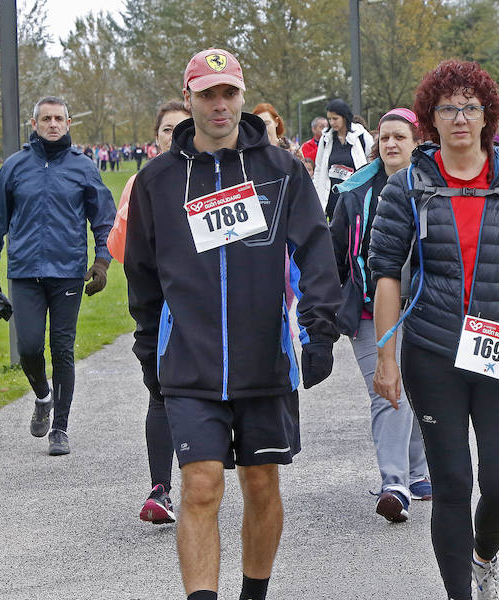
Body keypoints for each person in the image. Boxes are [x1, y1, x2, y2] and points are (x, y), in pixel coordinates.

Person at [124, 48, 341, 600]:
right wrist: (150, 345)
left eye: (229, 93)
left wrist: (319, 333)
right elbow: (143, 273)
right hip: (191, 362)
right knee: (199, 486)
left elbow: (317, 253)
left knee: (261, 484)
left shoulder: (281, 171)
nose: (219, 105)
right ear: (189, 97)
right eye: (206, 94)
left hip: (264, 358)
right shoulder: (158, 181)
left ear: (242, 97)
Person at [369, 58, 499, 600]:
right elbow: (386, 273)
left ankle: (484, 556)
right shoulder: (408, 187)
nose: (460, 118)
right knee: (454, 483)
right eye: (447, 108)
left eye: (470, 107)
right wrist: (386, 357)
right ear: (430, 119)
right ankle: (459, 591)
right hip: (433, 350)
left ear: (488, 115)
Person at [0, 96, 116, 456]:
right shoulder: (14, 167)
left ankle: (60, 428)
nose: (53, 124)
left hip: (68, 273)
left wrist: (101, 262)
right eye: (46, 119)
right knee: (28, 347)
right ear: (34, 123)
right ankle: (42, 395)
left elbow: (104, 219)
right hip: (24, 273)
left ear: (68, 123)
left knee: (62, 349)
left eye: (59, 118)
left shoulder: (84, 168)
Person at [329, 108, 430, 523]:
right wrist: (328, 308)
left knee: (420, 389)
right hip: (370, 311)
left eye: (399, 137)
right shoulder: (354, 192)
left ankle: (420, 473)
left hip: (425, 307)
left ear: (416, 142)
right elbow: (332, 252)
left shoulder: (435, 186)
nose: (391, 143)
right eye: (384, 137)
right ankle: (395, 483)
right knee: (387, 389)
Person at [106, 99, 190, 525]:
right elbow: (119, 249)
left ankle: (208, 477)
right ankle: (160, 490)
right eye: (166, 130)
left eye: (182, 128)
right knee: (160, 393)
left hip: (201, 309)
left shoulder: (209, 179)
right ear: (155, 139)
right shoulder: (141, 183)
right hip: (156, 310)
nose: (174, 136)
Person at [313, 98, 374, 220]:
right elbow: (319, 168)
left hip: (355, 195)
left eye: (335, 118)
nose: (332, 122)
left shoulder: (362, 136)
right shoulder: (326, 138)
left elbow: (372, 163)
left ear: (345, 117)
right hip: (332, 197)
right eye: (329, 119)